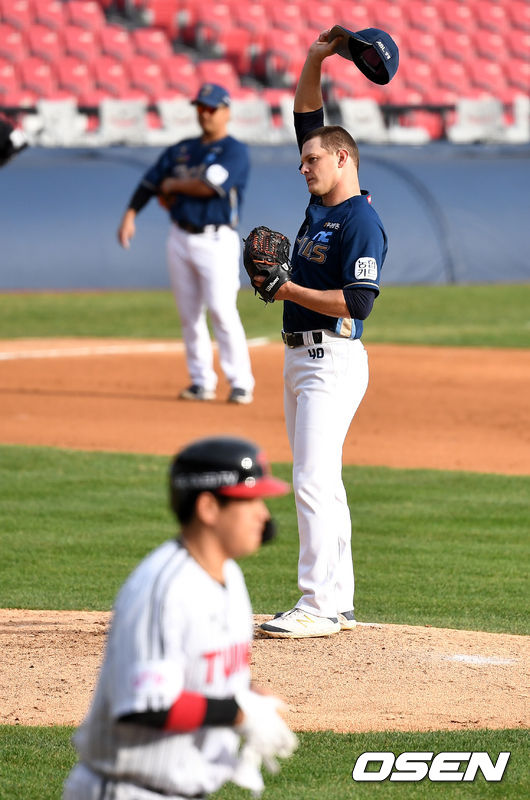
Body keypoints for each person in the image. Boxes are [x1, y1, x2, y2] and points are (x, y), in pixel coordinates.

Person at [63, 435, 297, 800]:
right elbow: (148, 705)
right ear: (208, 508)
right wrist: (237, 713)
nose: (264, 515)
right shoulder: (164, 590)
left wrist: (250, 694)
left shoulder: (229, 576)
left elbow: (211, 663)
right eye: (250, 500)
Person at [258, 30, 391, 639]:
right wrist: (317, 57)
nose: (303, 165)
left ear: (344, 159)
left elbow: (358, 301)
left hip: (330, 357)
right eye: (302, 160)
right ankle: (338, 600)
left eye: (314, 160)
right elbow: (308, 117)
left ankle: (316, 604)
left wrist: (287, 291)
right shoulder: (320, 208)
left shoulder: (359, 219)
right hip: (301, 358)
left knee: (311, 479)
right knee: (323, 480)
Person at [117, 83, 255, 405]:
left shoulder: (234, 151)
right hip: (179, 236)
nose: (204, 114)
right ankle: (201, 381)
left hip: (217, 239)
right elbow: (150, 182)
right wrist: (130, 214)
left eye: (211, 108)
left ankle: (240, 382)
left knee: (222, 310)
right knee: (189, 314)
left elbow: (209, 186)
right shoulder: (181, 150)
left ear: (226, 112)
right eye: (200, 108)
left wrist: (172, 184)